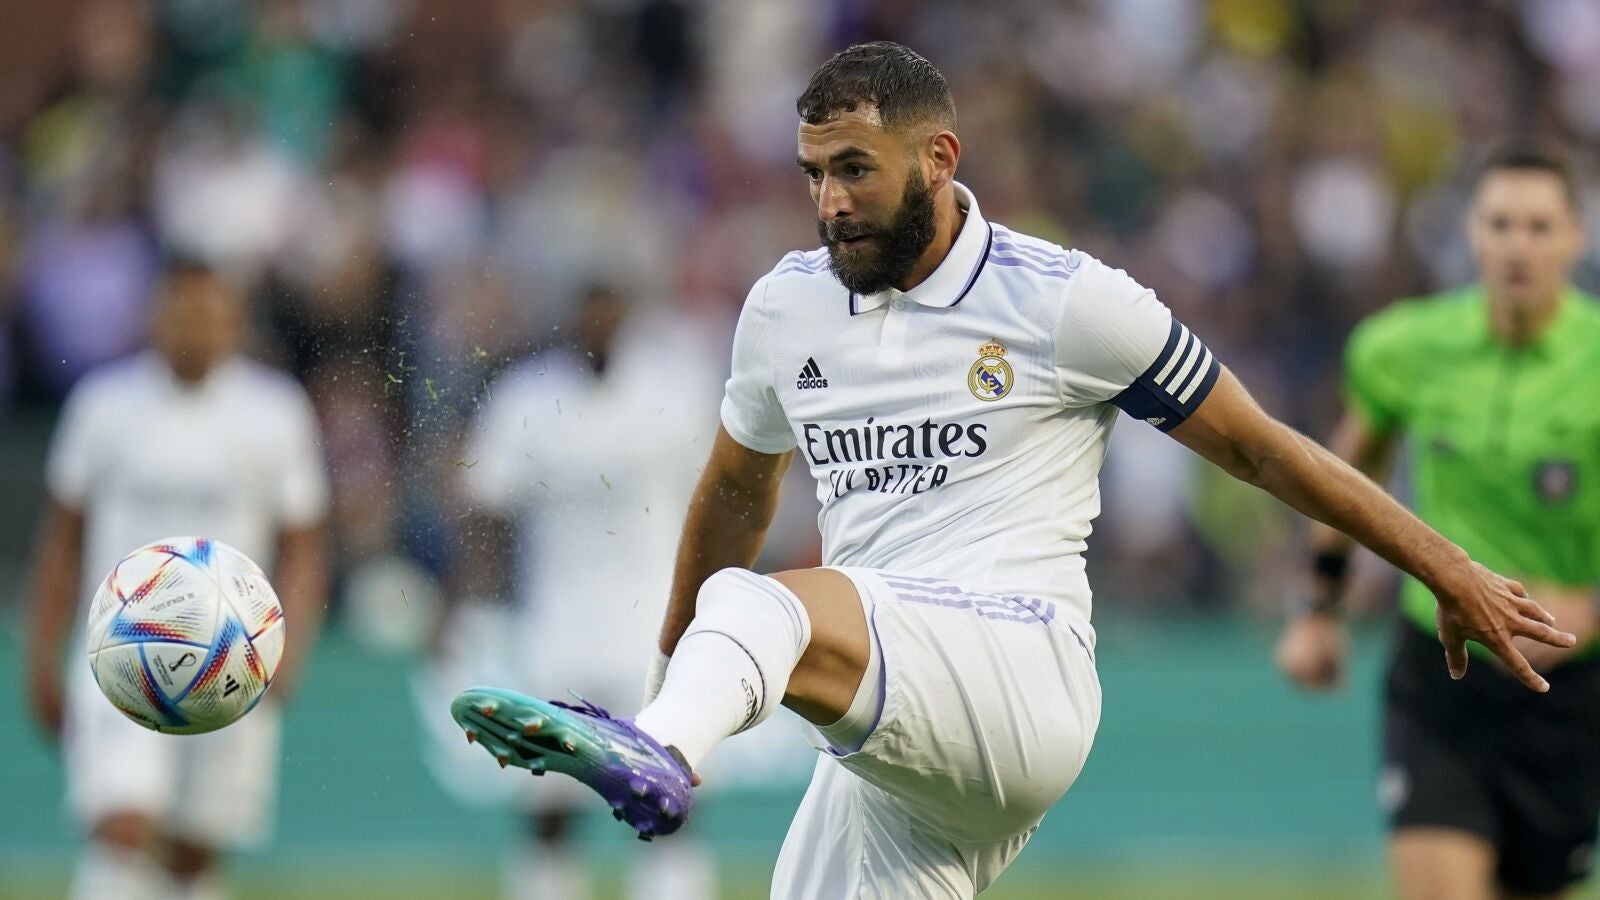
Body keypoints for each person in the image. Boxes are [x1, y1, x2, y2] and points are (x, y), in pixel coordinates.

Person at [451, 43, 1572, 898]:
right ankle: (659, 742)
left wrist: (1445, 567)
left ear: (939, 159)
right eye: (813, 173)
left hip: (1021, 671)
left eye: (855, 169)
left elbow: (1260, 446)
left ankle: (660, 756)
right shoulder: (785, 307)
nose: (830, 200)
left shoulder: (1065, 301)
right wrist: (672, 681)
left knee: (763, 601)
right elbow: (737, 490)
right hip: (897, 730)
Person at [1277, 145, 1600, 900]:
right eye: (1500, 224)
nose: (1518, 246)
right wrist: (1318, 609)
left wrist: (1592, 604)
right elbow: (1345, 476)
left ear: (1574, 238)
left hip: (1567, 685)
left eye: (1538, 226)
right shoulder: (1404, 347)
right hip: (1442, 672)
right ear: (1471, 233)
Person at [25, 260, 330, 900]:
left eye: (209, 314)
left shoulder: (274, 411)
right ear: (155, 318)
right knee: (122, 826)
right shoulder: (103, 405)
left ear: (234, 322)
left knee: (194, 851)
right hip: (121, 649)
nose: (195, 328)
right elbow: (61, 540)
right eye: (181, 313)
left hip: (230, 656)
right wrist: (41, 655)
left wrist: (289, 648)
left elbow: (304, 546)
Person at [452, 284, 722, 899]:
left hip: (654, 627)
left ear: (626, 318)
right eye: (588, 315)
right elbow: (486, 509)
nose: (599, 326)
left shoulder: (673, 390)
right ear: (570, 321)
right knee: (549, 805)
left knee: (669, 798)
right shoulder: (525, 396)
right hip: (557, 625)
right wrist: (467, 601)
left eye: (609, 313)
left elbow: (716, 502)